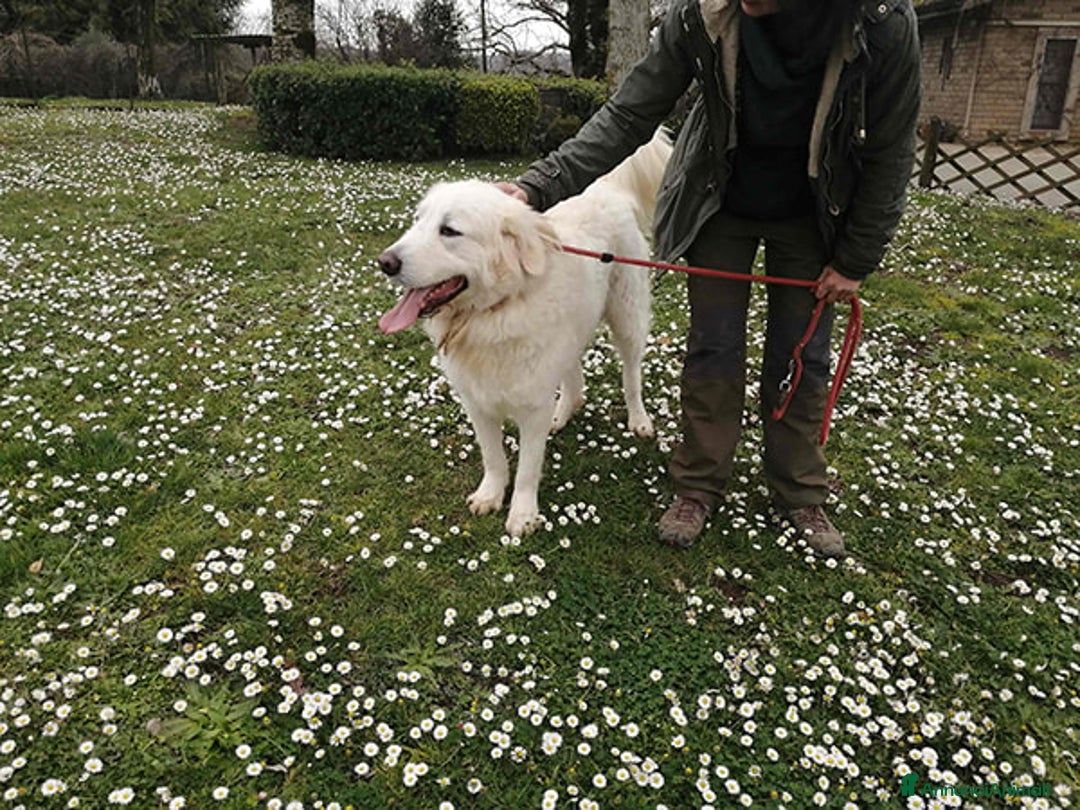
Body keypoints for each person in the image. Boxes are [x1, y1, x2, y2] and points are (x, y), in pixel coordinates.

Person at [498, 0, 921, 556]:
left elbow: (892, 147)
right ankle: (698, 485)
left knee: (802, 353)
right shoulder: (703, 13)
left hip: (817, 209)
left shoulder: (881, 19)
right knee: (713, 347)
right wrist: (537, 187)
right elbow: (628, 115)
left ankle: (799, 491)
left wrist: (855, 259)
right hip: (719, 200)